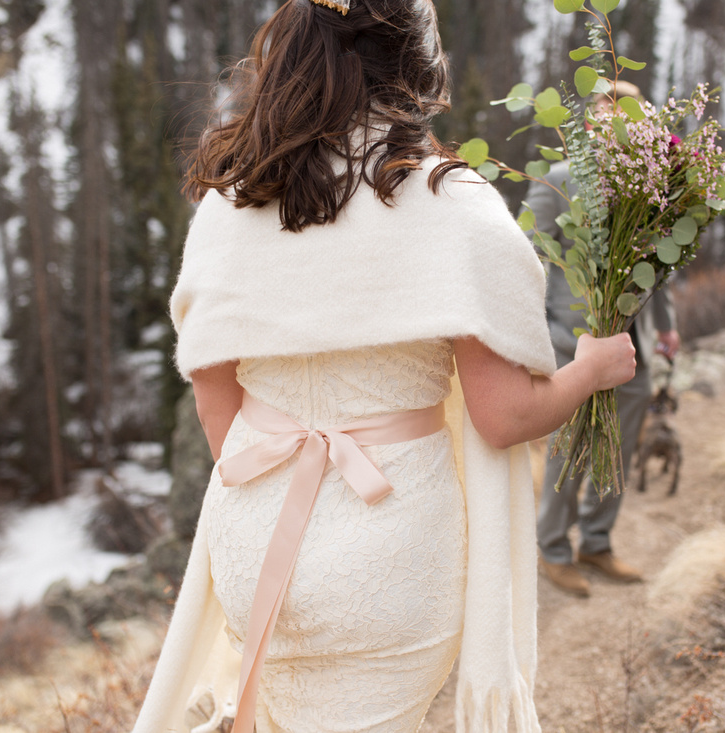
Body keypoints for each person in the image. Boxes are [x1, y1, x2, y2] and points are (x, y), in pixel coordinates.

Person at [131, 2, 636, 732]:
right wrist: (589, 369)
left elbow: (217, 405)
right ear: (417, 66)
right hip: (390, 548)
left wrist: (273, 496)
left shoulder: (231, 202)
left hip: (248, 535)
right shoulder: (454, 204)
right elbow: (503, 417)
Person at [531, 80, 680, 599]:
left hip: (629, 344)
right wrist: (538, 340)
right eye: (608, 113)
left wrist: (665, 326)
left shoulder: (651, 183)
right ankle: (552, 548)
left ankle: (597, 541)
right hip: (568, 341)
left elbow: (660, 265)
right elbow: (530, 262)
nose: (618, 123)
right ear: (592, 122)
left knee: (618, 447)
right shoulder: (556, 180)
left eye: (630, 115)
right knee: (568, 447)